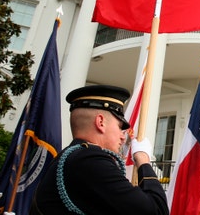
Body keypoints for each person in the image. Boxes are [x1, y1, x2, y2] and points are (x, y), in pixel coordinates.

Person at [30, 85, 168, 214]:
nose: (122, 137)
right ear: (100, 122)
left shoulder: (72, 157)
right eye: (120, 127)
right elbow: (156, 210)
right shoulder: (88, 160)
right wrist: (143, 160)